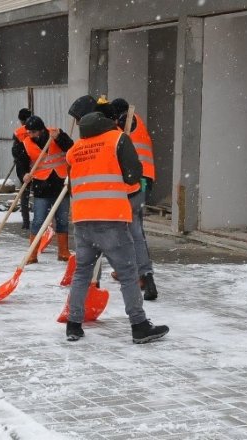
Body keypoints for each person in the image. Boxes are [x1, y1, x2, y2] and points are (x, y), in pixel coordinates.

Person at [64, 111, 169, 344]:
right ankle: (139, 325)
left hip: (82, 221)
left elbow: (73, 186)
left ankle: (74, 324)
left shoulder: (74, 150)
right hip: (111, 219)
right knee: (128, 273)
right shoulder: (117, 139)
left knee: (82, 272)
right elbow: (133, 176)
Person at [111, 98, 160, 301]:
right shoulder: (133, 122)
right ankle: (134, 272)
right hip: (142, 178)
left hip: (137, 179)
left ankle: (143, 276)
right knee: (133, 228)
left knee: (133, 230)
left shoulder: (127, 121)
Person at [20, 115, 74, 263]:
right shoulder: (26, 144)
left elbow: (71, 148)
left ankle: (63, 252)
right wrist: (23, 174)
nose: (31, 135)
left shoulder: (56, 134)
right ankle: (32, 253)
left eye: (33, 132)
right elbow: (21, 163)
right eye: (29, 132)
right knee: (38, 220)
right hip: (41, 187)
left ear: (42, 130)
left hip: (60, 184)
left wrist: (60, 137)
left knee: (62, 220)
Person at [11, 108, 33, 230]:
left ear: (20, 120)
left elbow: (15, 149)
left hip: (23, 166)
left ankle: (26, 222)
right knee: (41, 194)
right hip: (36, 163)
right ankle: (46, 220)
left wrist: (17, 158)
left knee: (24, 193)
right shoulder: (37, 127)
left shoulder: (18, 132)